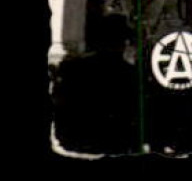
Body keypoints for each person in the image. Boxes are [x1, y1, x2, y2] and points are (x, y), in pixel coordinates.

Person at [52, 14, 139, 155]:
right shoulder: (131, 76)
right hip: (114, 148)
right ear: (123, 43)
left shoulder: (72, 69)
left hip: (75, 146)